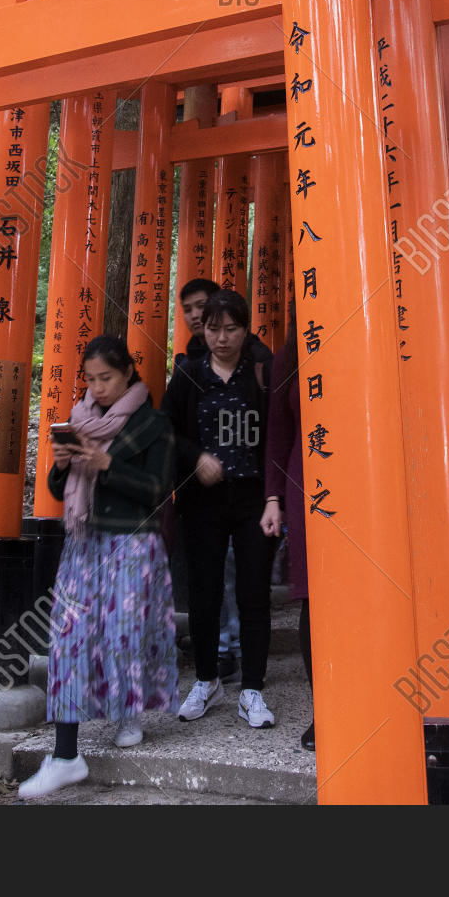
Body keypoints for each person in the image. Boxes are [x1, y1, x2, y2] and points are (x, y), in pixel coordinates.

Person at [18, 335, 177, 799]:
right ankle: (65, 754)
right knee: (68, 637)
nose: (97, 387)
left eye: (105, 377)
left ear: (127, 372)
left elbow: (158, 490)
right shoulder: (80, 419)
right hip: (84, 543)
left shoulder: (154, 424)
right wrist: (62, 464)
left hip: (134, 543)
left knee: (123, 633)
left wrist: (107, 463)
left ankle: (127, 713)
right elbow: (58, 491)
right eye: (90, 379)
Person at [161, 288, 279, 728]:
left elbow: (277, 435)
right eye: (214, 329)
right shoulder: (188, 375)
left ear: (245, 329)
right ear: (203, 330)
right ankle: (206, 679)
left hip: (253, 499)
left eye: (231, 329)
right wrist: (195, 457)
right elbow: (165, 430)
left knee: (253, 592)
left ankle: (252, 689)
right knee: (204, 593)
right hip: (202, 501)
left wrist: (275, 497)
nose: (222, 338)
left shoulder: (261, 373)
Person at [262, 302, 314, 750]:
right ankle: (326, 707)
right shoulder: (290, 356)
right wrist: (273, 497)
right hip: (307, 486)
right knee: (314, 598)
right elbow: (278, 433)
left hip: (368, 484)